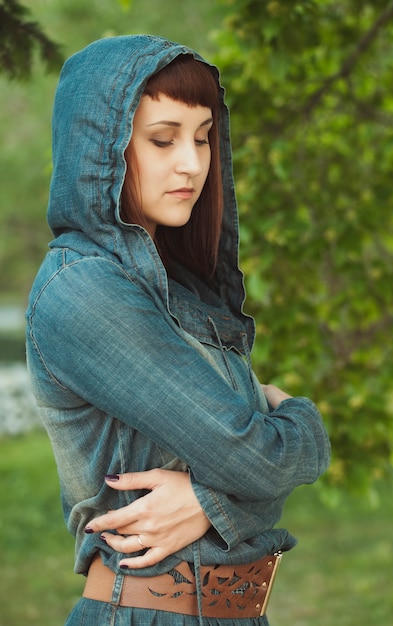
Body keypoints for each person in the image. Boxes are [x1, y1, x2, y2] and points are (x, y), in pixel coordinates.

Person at [26, 35, 331, 626]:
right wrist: (305, 425)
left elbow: (248, 460)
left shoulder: (179, 290)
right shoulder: (83, 289)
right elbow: (260, 459)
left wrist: (208, 502)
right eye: (162, 139)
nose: (191, 162)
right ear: (102, 150)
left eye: (203, 137)